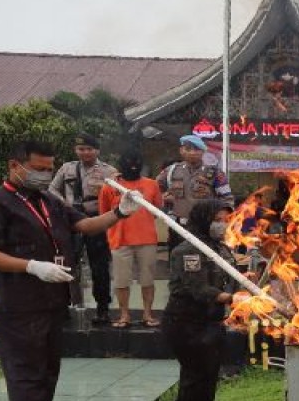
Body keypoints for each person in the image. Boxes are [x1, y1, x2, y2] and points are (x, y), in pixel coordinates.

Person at [0, 140, 140, 401]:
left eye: (49, 168)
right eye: (37, 169)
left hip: (51, 302)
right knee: (26, 375)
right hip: (16, 305)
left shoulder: (50, 200)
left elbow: (84, 225)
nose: (44, 174)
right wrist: (31, 266)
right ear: (14, 166)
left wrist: (119, 212)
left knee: (47, 372)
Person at [163, 200, 238, 401]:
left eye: (225, 220)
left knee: (209, 371)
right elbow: (196, 288)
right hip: (186, 320)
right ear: (204, 218)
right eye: (217, 219)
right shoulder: (188, 250)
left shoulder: (220, 248)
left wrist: (240, 287)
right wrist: (231, 298)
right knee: (194, 372)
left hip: (211, 318)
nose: (222, 224)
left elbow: (229, 277)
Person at [48, 133, 116, 324]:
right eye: (81, 149)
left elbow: (116, 195)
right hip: (71, 221)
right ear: (76, 150)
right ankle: (69, 306)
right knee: (67, 264)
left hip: (96, 220)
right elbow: (52, 189)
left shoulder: (108, 171)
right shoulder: (67, 168)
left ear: (97, 150)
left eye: (89, 149)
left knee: (99, 267)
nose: (85, 152)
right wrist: (63, 205)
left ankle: (102, 308)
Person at [98, 151, 164, 328]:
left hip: (147, 239)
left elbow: (157, 209)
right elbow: (104, 213)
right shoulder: (110, 186)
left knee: (148, 279)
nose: (133, 166)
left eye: (137, 162)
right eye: (128, 162)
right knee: (121, 280)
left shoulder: (152, 185)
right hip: (119, 240)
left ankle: (148, 314)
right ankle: (124, 315)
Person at [157, 135, 234, 252]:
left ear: (203, 152)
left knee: (207, 261)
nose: (192, 153)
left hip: (205, 228)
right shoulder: (171, 171)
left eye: (197, 149)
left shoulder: (214, 173)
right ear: (181, 150)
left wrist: (222, 220)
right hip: (179, 227)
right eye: (188, 149)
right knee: (178, 258)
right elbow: (153, 187)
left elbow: (227, 199)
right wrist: (163, 198)